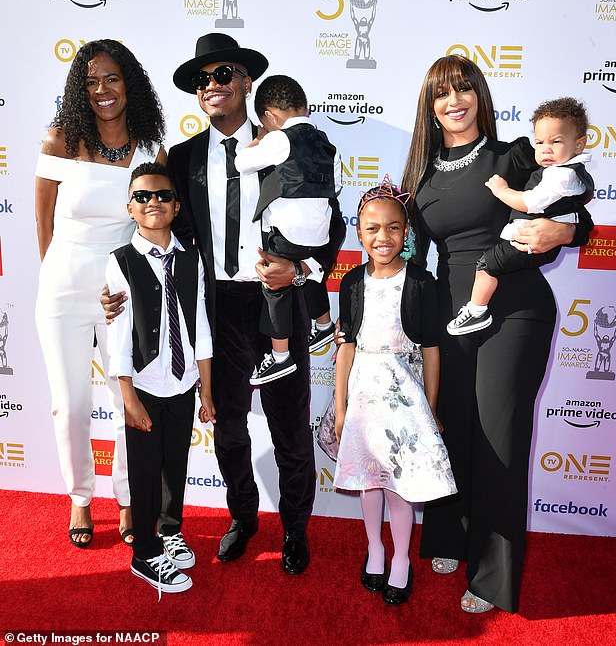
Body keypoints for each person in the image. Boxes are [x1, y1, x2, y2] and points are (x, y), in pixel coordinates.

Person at [105, 33, 346, 574]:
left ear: (246, 82)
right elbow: (160, 232)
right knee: (230, 427)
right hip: (215, 310)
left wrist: (302, 268)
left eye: (221, 75)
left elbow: (327, 223)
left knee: (288, 424)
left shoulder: (289, 141)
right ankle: (242, 518)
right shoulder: (183, 157)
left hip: (279, 300)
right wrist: (118, 285)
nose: (210, 87)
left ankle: (295, 529)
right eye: (200, 80)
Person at [400, 54, 593, 614]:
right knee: (452, 428)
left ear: (480, 96)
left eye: (463, 89)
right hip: (450, 314)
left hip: (514, 312)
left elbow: (573, 205)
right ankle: (447, 536)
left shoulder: (512, 154)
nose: (453, 101)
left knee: (499, 439)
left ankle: (491, 577)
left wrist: (564, 227)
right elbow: (409, 253)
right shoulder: (423, 174)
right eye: (442, 93)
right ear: (430, 107)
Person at [35, 39, 166, 548]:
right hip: (63, 287)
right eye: (90, 82)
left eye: (111, 79)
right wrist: (56, 277)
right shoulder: (58, 142)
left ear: (129, 83)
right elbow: (43, 220)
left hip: (122, 291)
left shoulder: (151, 149)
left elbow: (152, 226)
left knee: (126, 399)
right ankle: (80, 498)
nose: (102, 91)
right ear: (78, 91)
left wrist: (126, 286)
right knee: (68, 403)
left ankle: (129, 497)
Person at [334, 180, 457, 606]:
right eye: (371, 229)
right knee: (370, 481)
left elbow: (432, 350)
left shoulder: (421, 282)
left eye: (392, 228)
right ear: (359, 233)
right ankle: (375, 548)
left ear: (406, 232)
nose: (382, 238)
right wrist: (339, 406)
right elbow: (345, 345)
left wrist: (433, 407)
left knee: (399, 486)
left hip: (405, 397)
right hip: (363, 394)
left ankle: (401, 559)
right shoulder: (351, 282)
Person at [105, 163, 214, 594]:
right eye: (143, 197)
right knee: (146, 470)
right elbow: (118, 335)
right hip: (146, 386)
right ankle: (145, 550)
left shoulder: (191, 260)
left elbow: (200, 324)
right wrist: (128, 396)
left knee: (176, 462)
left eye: (163, 196)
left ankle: (171, 529)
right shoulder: (121, 262)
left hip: (184, 381)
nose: (153, 202)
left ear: (176, 206)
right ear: (130, 207)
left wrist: (206, 387)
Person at [447, 97, 594, 335]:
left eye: (555, 141)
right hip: (450, 301)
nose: (545, 149)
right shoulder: (424, 165)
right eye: (539, 142)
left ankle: (476, 310)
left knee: (487, 264)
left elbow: (582, 222)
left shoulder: (527, 159)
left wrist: (565, 233)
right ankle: (475, 310)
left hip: (521, 307)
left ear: (579, 145)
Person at [234, 74, 341, 385]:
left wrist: (255, 143)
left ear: (270, 115)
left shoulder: (279, 139)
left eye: (264, 124)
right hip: (319, 232)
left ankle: (280, 357)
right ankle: (322, 324)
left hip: (287, 232)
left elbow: (243, 163)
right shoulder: (326, 143)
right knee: (310, 275)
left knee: (274, 286)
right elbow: (337, 186)